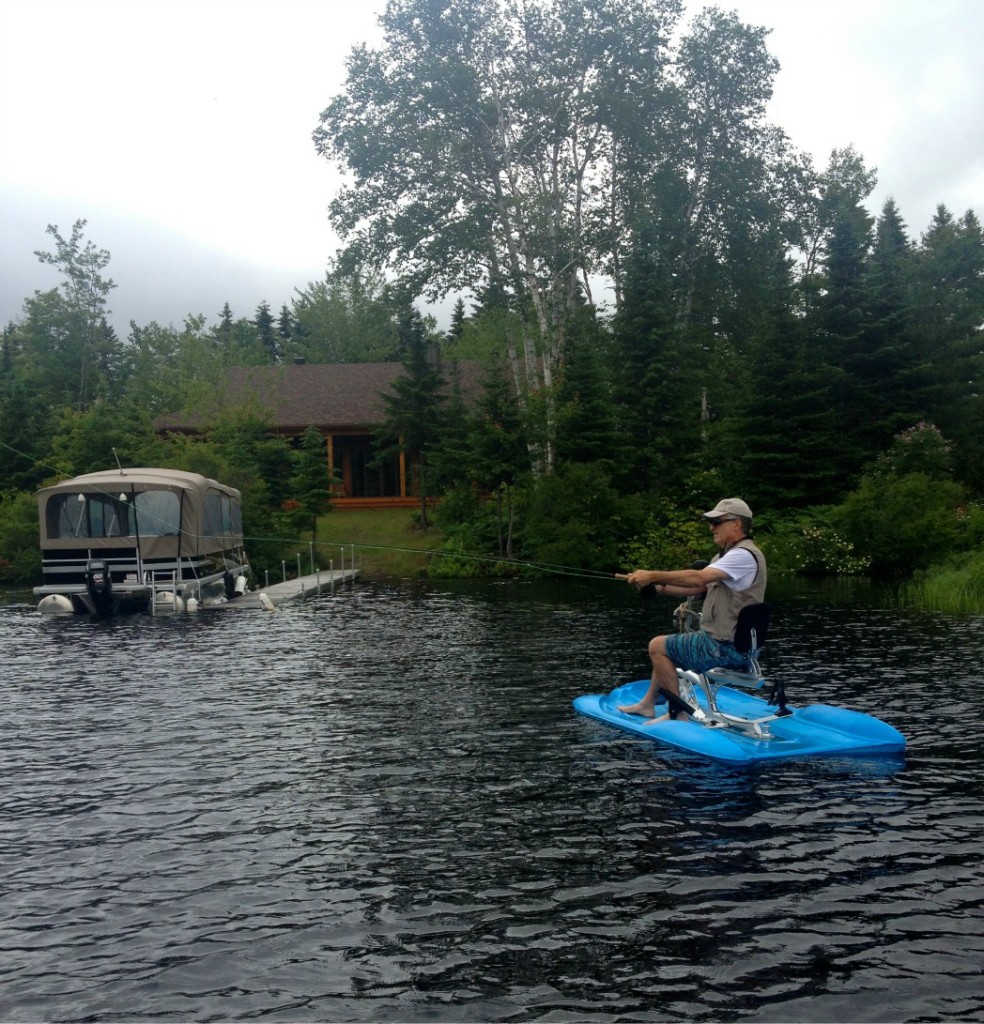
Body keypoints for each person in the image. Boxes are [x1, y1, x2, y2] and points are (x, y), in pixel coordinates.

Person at [617, 498, 767, 722]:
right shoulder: (724, 557)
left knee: (658, 646)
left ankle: (677, 713)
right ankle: (648, 704)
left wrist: (652, 574)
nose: (711, 528)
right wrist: (658, 588)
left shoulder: (743, 556)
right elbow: (699, 586)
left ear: (737, 524)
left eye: (717, 522)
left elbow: (698, 576)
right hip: (730, 643)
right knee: (669, 647)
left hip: (725, 647)